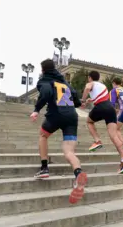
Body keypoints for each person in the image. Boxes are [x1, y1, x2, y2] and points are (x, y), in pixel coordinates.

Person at [30, 59, 87, 204]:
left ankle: (44, 168)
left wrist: (36, 110)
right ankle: (78, 173)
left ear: (43, 70)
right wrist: (80, 103)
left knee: (43, 135)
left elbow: (46, 93)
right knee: (69, 152)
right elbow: (75, 98)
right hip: (72, 116)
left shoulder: (45, 80)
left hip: (56, 114)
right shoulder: (65, 83)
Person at [81, 70, 123, 174]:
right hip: (110, 109)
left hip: (101, 106)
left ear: (90, 77)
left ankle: (97, 141)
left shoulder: (90, 83)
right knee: (114, 136)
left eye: (88, 78)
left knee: (89, 121)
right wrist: (91, 100)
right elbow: (101, 97)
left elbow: (87, 88)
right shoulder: (103, 86)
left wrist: (82, 100)